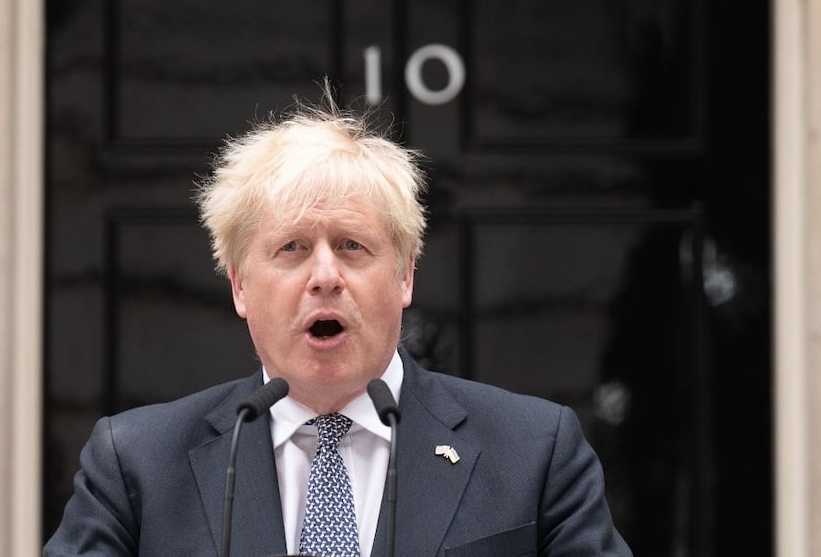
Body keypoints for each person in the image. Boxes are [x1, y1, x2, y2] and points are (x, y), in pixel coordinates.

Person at [43, 89, 632, 556]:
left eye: (352, 245)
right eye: (293, 248)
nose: (325, 275)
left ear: (405, 276)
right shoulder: (137, 465)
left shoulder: (533, 452)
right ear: (240, 285)